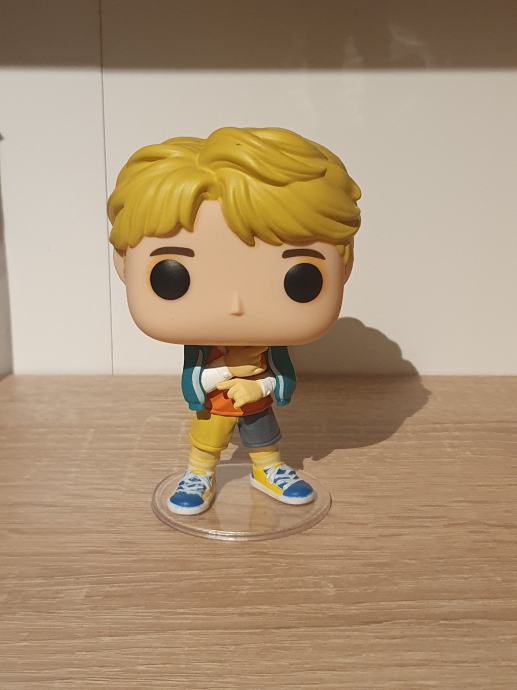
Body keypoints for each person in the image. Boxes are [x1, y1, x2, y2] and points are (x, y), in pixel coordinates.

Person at [108, 126, 361, 515]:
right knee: (206, 438)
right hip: (214, 405)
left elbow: (284, 379)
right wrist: (227, 369)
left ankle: (268, 469)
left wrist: (257, 387)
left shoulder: (270, 348)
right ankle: (199, 473)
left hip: (255, 404)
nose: (236, 305)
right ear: (124, 264)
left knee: (263, 435)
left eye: (299, 279)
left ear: (344, 266)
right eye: (172, 277)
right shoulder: (203, 350)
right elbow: (192, 383)